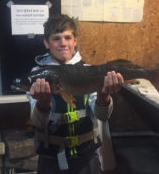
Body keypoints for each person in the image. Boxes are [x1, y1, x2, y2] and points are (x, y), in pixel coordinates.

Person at [27, 14, 124, 174]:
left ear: (75, 41)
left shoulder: (89, 71)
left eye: (67, 37)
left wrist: (103, 96)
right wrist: (43, 105)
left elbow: (102, 116)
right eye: (56, 38)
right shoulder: (37, 75)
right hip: (51, 159)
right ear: (46, 43)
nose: (63, 43)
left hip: (86, 157)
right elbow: (37, 122)